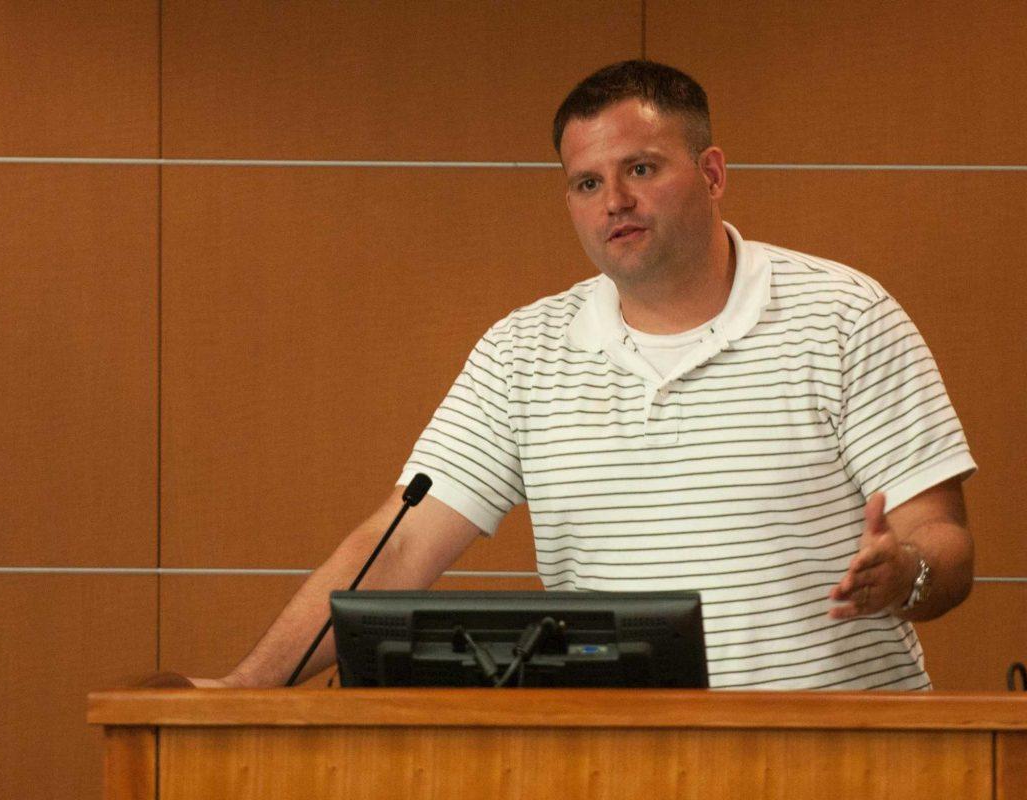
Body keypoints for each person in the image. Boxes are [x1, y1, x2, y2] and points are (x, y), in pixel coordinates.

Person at [194, 60, 975, 691]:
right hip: (618, 763)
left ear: (711, 172)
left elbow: (943, 538)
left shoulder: (843, 315)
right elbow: (394, 548)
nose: (616, 202)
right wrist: (245, 688)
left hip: (841, 759)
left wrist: (906, 573)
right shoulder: (523, 352)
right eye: (587, 183)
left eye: (641, 168)